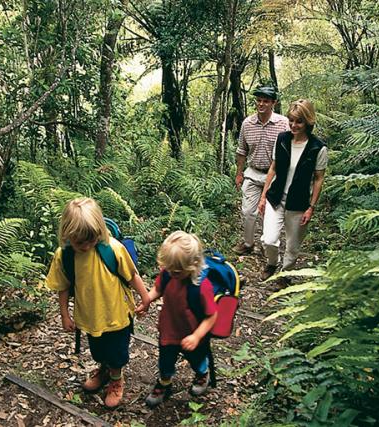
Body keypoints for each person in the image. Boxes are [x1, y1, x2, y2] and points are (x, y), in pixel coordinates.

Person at [45, 197, 151, 408]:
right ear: (68, 235)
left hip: (117, 313)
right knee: (98, 350)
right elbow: (63, 287)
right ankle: (104, 370)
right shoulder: (64, 256)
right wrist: (65, 315)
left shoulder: (112, 248)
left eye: (90, 240)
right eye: (79, 242)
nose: (86, 246)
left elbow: (131, 275)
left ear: (99, 231)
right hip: (90, 316)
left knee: (117, 353)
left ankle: (116, 378)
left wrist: (145, 297)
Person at [144, 231, 218, 408]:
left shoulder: (201, 287)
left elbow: (211, 315)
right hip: (169, 329)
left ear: (192, 266)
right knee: (165, 360)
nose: (171, 273)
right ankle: (164, 383)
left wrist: (197, 336)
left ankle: (202, 374)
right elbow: (158, 288)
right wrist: (146, 300)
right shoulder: (169, 273)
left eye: (176, 271)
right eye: (168, 269)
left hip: (191, 333)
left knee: (197, 359)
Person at [257, 99, 328, 281]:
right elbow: (273, 168)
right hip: (276, 197)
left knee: (292, 245)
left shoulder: (317, 148)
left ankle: (286, 275)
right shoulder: (282, 139)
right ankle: (272, 263)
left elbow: (319, 178)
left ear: (308, 121)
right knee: (269, 239)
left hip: (298, 203)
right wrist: (263, 196)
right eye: (291, 120)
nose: (293, 125)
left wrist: (311, 207)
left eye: (299, 121)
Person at [233, 85, 290, 255]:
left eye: (266, 101)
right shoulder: (247, 123)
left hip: (274, 175)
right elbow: (241, 151)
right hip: (253, 172)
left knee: (269, 214)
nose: (261, 104)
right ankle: (248, 243)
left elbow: (290, 150)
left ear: (274, 103)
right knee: (248, 211)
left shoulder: (283, 123)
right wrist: (239, 173)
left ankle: (269, 247)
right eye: (259, 100)